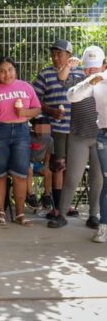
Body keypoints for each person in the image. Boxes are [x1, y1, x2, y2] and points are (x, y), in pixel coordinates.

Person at [0, 57, 42, 226]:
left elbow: (37, 109)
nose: (7, 74)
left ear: (15, 70)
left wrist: (24, 113)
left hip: (22, 132)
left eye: (10, 69)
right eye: (2, 70)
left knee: (20, 175)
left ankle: (20, 213)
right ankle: (0, 211)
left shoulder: (26, 87)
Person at [54, 46, 106, 235]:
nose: (91, 71)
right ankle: (61, 215)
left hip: (100, 136)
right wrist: (68, 65)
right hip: (78, 136)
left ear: (103, 65)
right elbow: (62, 79)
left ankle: (94, 215)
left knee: (98, 178)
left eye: (95, 67)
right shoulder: (78, 82)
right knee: (72, 177)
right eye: (88, 67)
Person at [33, 40, 84, 218]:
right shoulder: (45, 74)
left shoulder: (80, 73)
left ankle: (66, 205)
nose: (55, 58)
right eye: (53, 54)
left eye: (59, 54)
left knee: (72, 166)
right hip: (56, 128)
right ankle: (57, 207)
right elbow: (34, 99)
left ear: (69, 55)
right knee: (58, 166)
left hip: (77, 127)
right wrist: (51, 111)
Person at [27, 117, 53, 211]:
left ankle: (46, 195)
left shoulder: (49, 140)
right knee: (29, 171)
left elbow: (48, 155)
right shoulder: (28, 136)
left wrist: (46, 166)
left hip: (38, 163)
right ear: (33, 127)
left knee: (48, 173)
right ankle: (30, 195)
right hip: (26, 162)